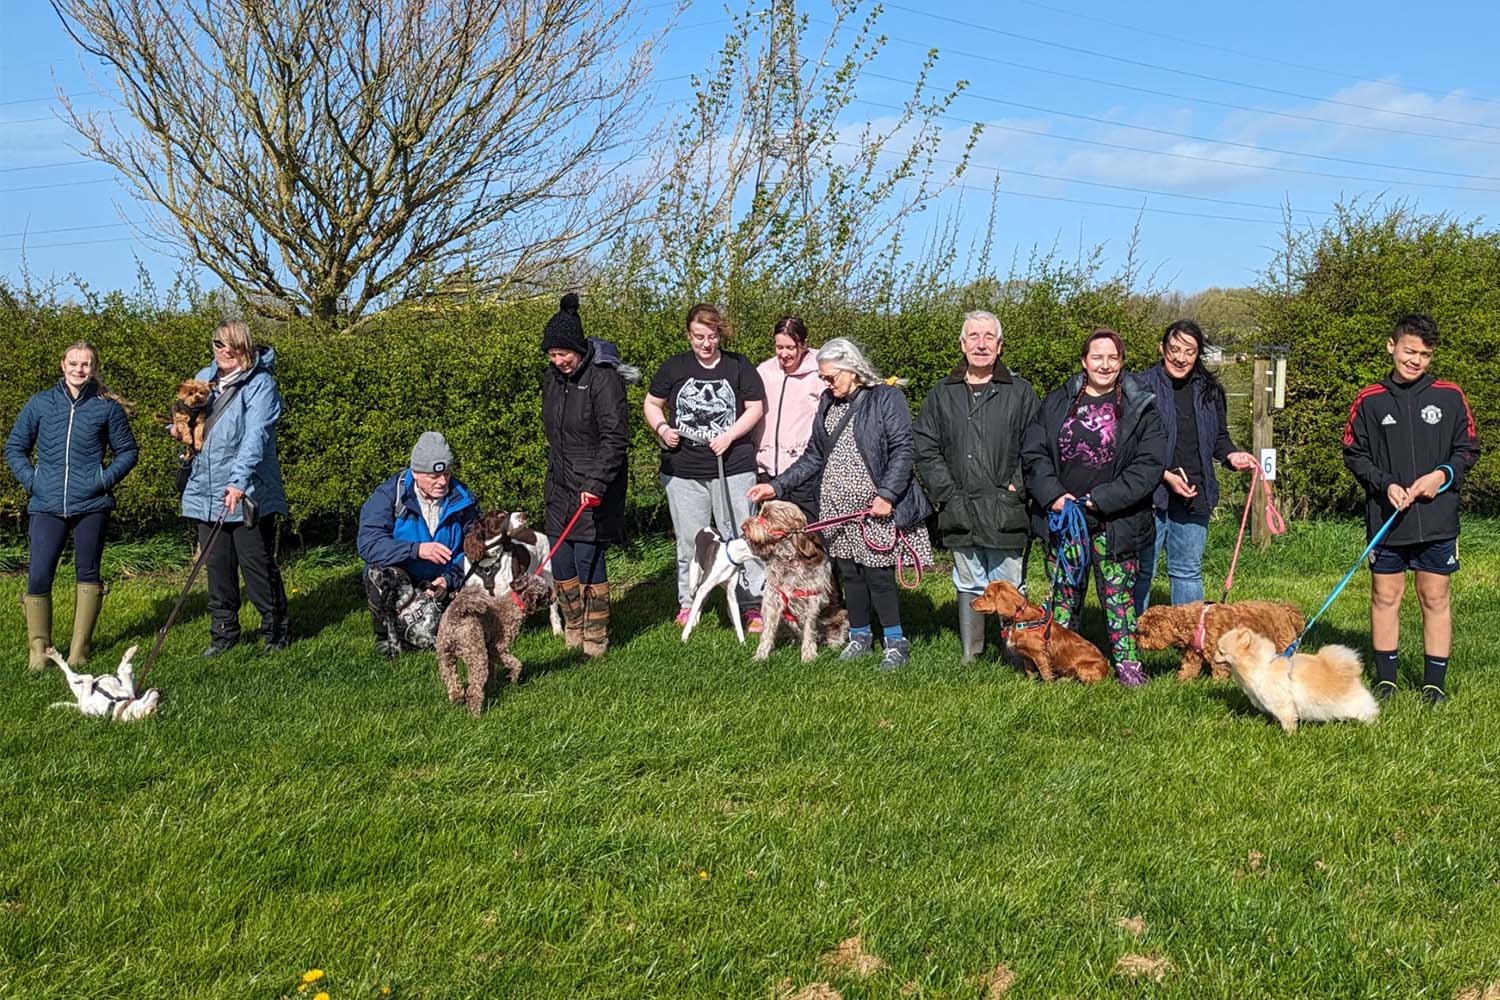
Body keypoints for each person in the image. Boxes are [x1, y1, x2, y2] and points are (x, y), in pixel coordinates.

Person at [749, 337, 933, 671]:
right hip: (835, 508)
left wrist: (887, 495)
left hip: (874, 507)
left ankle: (895, 642)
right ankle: (859, 637)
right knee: (849, 575)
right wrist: (775, 487)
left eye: (831, 376)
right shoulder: (828, 403)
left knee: (877, 574)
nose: (826, 383)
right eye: (823, 377)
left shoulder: (885, 398)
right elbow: (814, 456)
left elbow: (904, 449)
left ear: (852, 368)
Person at [1343, 313, 1480, 705]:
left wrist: (1443, 475)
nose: (1416, 360)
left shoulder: (1450, 395)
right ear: (1392, 346)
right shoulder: (1369, 400)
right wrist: (1384, 483)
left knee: (1434, 596)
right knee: (1385, 595)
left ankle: (1434, 684)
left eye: (1425, 354)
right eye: (1409, 351)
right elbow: (1354, 452)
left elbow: (1468, 448)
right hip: (1387, 518)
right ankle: (1386, 681)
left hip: (1437, 518)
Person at [1021, 328, 1167, 686]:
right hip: (1064, 517)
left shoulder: (1142, 406)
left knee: (1119, 600)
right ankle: (1056, 666)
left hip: (1116, 520)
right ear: (1084, 361)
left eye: (1112, 357)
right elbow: (1033, 452)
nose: (1105, 364)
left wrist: (1099, 500)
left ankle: (1129, 668)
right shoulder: (1057, 401)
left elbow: (1148, 467)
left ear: (1122, 361)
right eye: (1097, 357)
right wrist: (1054, 495)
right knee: (1063, 599)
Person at [913, 310, 1040, 663]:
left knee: (1009, 585)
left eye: (988, 337)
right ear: (962, 344)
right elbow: (924, 445)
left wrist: (1017, 487)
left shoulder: (1020, 392)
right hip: (958, 505)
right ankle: (973, 656)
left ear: (1000, 346)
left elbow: (1036, 446)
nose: (980, 344)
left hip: (1006, 507)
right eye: (973, 337)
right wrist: (946, 493)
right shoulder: (943, 393)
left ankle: (1016, 656)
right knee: (968, 581)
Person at [7, 341, 139, 669]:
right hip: (45, 504)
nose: (79, 370)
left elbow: (128, 452)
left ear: (94, 368)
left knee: (88, 573)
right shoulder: (40, 403)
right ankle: (40, 652)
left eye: (86, 364)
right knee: (38, 576)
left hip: (91, 504)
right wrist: (33, 481)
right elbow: (15, 448)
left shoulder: (106, 408)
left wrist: (102, 481)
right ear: (62, 365)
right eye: (73, 363)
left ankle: (80, 651)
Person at [644, 304, 767, 631]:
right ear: (689, 336)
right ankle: (689, 602)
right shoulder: (674, 367)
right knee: (689, 540)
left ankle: (752, 602)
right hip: (684, 470)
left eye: (711, 336)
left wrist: (729, 436)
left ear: (719, 335)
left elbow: (755, 408)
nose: (706, 343)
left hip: (733, 466)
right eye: (699, 337)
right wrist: (662, 429)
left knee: (743, 536)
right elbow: (652, 403)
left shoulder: (739, 366)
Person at [178, 320, 291, 655]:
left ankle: (275, 631)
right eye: (218, 344)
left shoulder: (261, 385)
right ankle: (223, 634)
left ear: (247, 347)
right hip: (205, 487)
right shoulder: (205, 377)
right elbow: (190, 416)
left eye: (233, 345)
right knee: (217, 565)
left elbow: (257, 436)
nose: (225, 351)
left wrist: (238, 482)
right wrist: (178, 427)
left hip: (247, 489)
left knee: (255, 564)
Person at [1132, 319, 1257, 615]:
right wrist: (1164, 474)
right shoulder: (1139, 386)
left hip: (1194, 493)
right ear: (1161, 349)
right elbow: (1130, 445)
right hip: (1148, 494)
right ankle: (1132, 648)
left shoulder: (1210, 390)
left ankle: (1190, 646)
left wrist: (1232, 456)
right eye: (1174, 349)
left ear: (1197, 354)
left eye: (1189, 351)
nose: (1180, 357)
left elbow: (1220, 438)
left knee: (1187, 571)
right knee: (1142, 572)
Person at [540, 293, 631, 657]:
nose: (558, 361)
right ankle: (572, 628)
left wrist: (595, 484)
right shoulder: (552, 378)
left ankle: (596, 637)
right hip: (559, 482)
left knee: (586, 557)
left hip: (596, 482)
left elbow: (616, 437)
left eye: (564, 353)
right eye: (552, 355)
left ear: (579, 348)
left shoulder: (603, 378)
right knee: (560, 558)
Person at [357, 431, 480, 658]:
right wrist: (417, 550)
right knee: (377, 572)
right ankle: (387, 635)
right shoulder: (389, 495)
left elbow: (475, 548)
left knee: (447, 637)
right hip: (402, 576)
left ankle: (430, 621)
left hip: (443, 582)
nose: (442, 482)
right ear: (416, 473)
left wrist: (449, 579)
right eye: (434, 476)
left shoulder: (463, 499)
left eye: (447, 473)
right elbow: (368, 544)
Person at [755, 314, 823, 516]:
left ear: (803, 345)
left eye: (790, 348)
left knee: (809, 537)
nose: (783, 354)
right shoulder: (764, 372)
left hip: (805, 471)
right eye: (779, 347)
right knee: (774, 538)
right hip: (768, 472)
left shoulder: (821, 372)